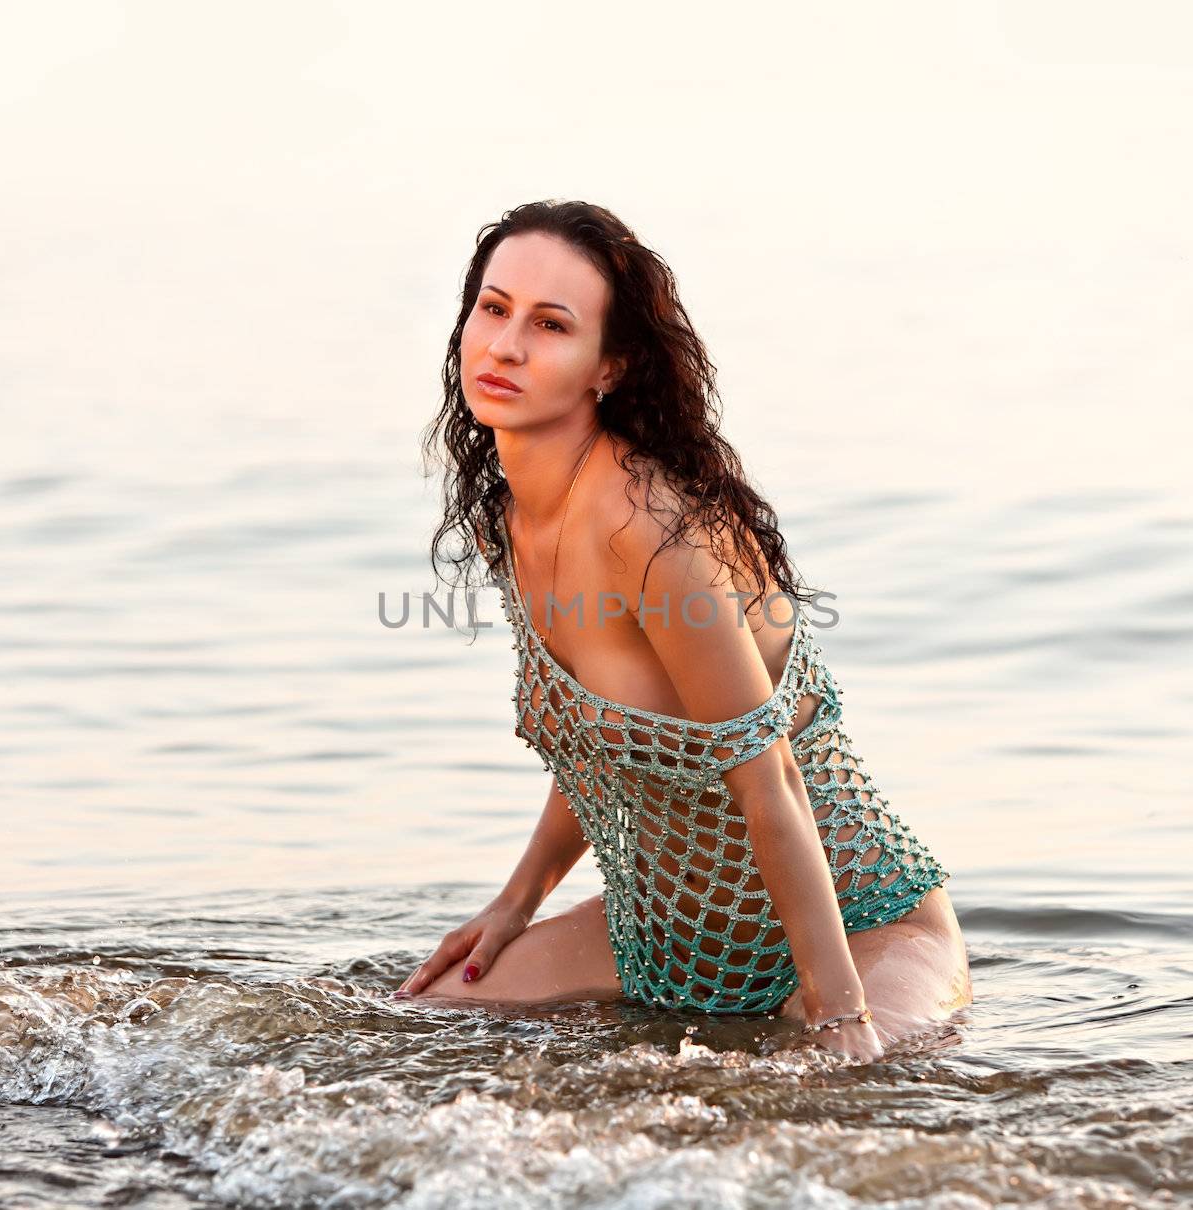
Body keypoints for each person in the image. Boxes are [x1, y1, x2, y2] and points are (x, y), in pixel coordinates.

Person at [397, 200, 970, 1061]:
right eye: (493, 307)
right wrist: (514, 904)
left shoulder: (651, 527)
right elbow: (610, 744)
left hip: (859, 931)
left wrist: (838, 1006)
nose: (506, 345)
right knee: (421, 1014)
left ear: (609, 366)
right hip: (660, 938)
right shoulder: (507, 522)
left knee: (822, 1092)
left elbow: (768, 777)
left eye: (551, 325)